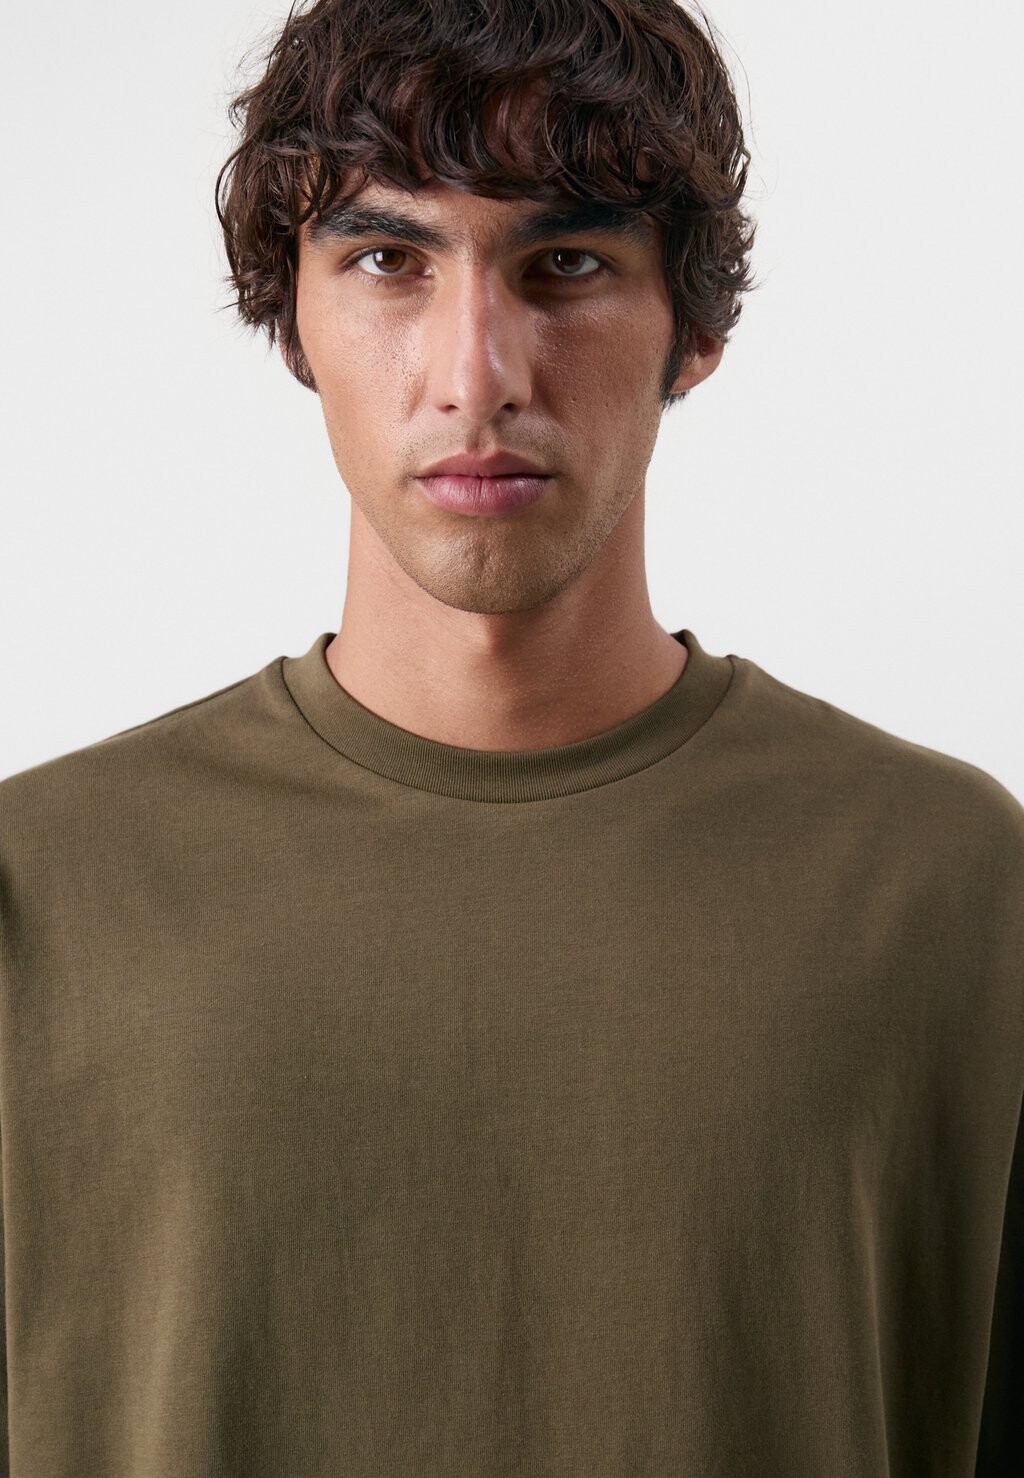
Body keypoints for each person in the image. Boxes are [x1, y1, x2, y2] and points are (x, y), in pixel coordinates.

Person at [0, 0, 1020, 1471]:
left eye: (566, 264)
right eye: (388, 260)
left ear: (696, 329)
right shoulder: (39, 890)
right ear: (292, 319)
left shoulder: (955, 890)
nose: (475, 374)